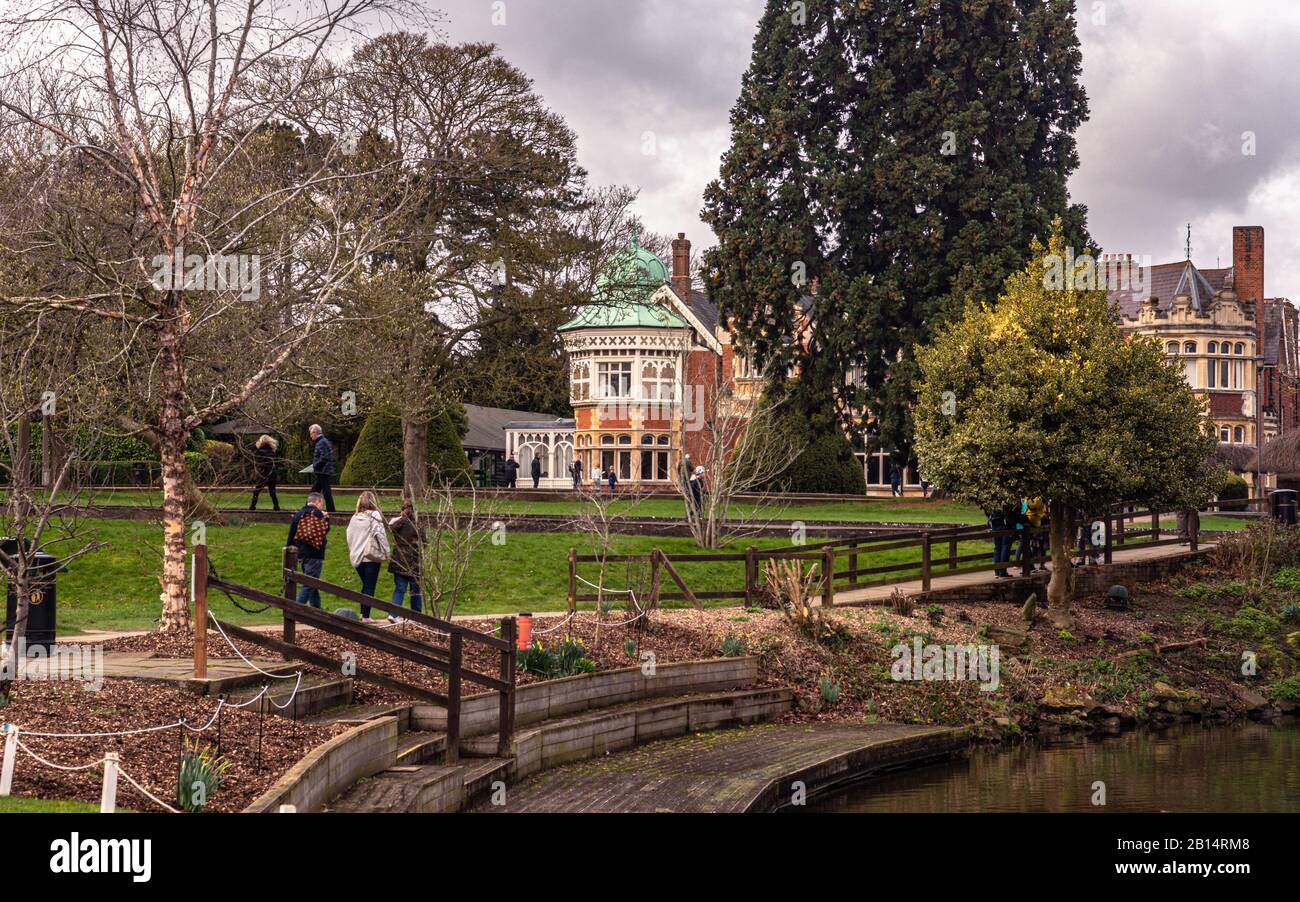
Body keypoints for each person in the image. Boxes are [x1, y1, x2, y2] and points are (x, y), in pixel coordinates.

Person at [347, 491, 389, 620]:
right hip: (371, 556)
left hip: (357, 557)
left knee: (365, 585)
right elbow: (380, 534)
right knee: (369, 587)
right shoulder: (375, 515)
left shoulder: (355, 517)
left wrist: (353, 549)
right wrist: (387, 552)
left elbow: (349, 535)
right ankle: (365, 616)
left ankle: (362, 613)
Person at [287, 492, 330, 607]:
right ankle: (295, 609)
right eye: (321, 503)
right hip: (315, 554)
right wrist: (326, 518)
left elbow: (291, 535)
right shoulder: (318, 513)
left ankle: (317, 612)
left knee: (312, 583)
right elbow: (325, 530)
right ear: (318, 502)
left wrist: (289, 551)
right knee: (309, 584)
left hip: (301, 554)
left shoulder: (299, 514)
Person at [387, 495, 423, 621]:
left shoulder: (397, 523)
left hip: (399, 560)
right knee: (415, 590)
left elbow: (391, 528)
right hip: (413, 561)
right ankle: (415, 615)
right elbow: (424, 542)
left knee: (399, 589)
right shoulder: (417, 524)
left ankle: (393, 613)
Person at [308, 424, 336, 512]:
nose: (310, 435)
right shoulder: (322, 441)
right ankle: (308, 509)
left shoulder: (321, 442)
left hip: (323, 471)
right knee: (317, 491)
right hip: (323, 471)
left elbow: (324, 457)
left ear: (315, 432)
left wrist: (315, 465)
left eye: (311, 433)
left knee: (322, 492)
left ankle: (307, 509)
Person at [250, 434, 280, 511]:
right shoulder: (273, 451)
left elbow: (258, 461)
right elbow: (276, 463)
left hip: (264, 474)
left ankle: (252, 506)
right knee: (272, 492)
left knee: (256, 491)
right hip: (273, 474)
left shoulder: (259, 451)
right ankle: (276, 507)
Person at [987, 504, 1011, 578]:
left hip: (994, 525)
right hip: (1003, 525)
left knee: (997, 548)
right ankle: (1002, 571)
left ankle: (997, 571)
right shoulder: (1003, 501)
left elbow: (987, 511)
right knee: (1005, 548)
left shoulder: (990, 502)